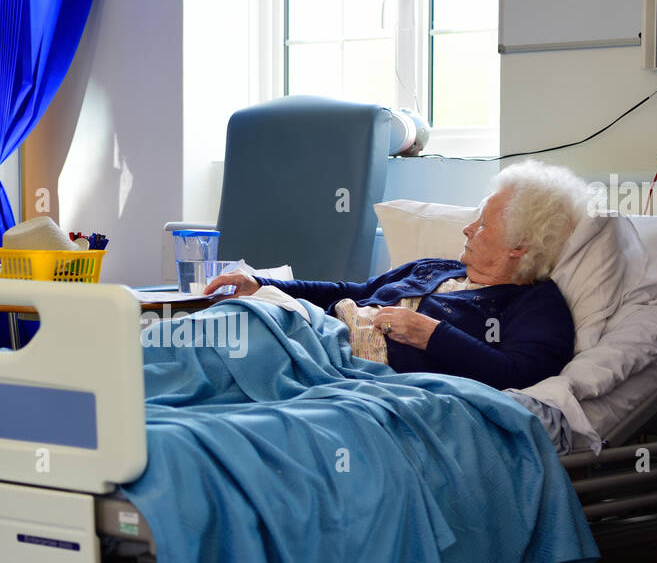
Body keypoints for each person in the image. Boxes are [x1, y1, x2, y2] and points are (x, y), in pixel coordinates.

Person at [202, 160, 588, 391]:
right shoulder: (435, 268)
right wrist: (263, 285)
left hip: (342, 365)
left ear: (518, 246)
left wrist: (431, 334)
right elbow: (353, 290)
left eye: (484, 223)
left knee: (219, 356)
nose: (468, 229)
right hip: (315, 331)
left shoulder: (535, 303)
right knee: (219, 329)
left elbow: (522, 375)